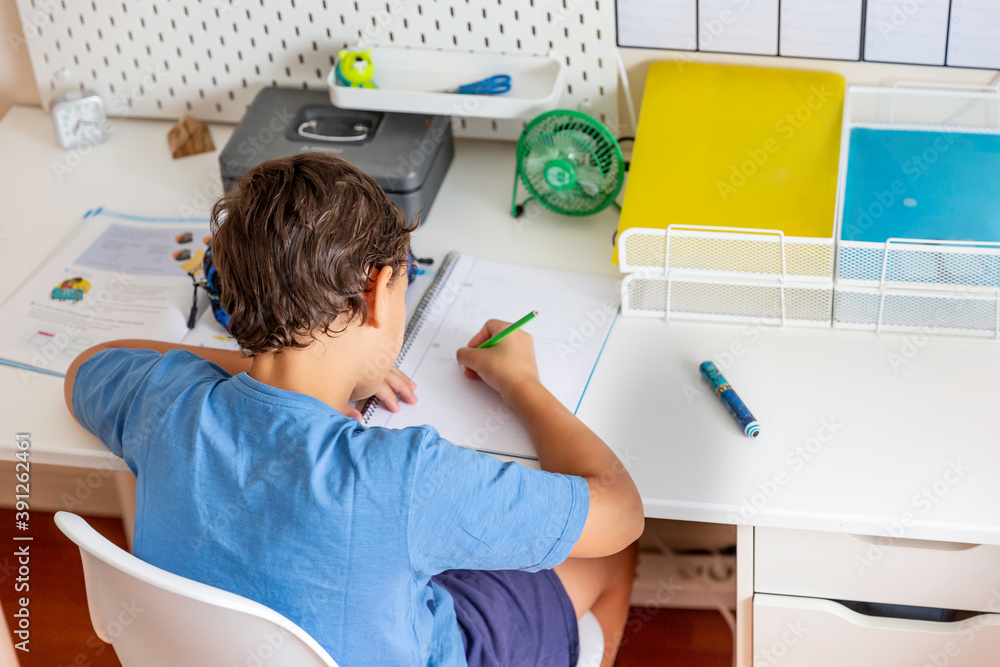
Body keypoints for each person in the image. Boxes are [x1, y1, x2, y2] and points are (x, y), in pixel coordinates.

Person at [64, 152, 643, 667]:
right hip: (441, 643)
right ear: (375, 291)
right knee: (611, 561)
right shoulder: (410, 480)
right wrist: (522, 384)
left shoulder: (165, 403)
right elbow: (620, 513)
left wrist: (271, 357)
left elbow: (91, 362)